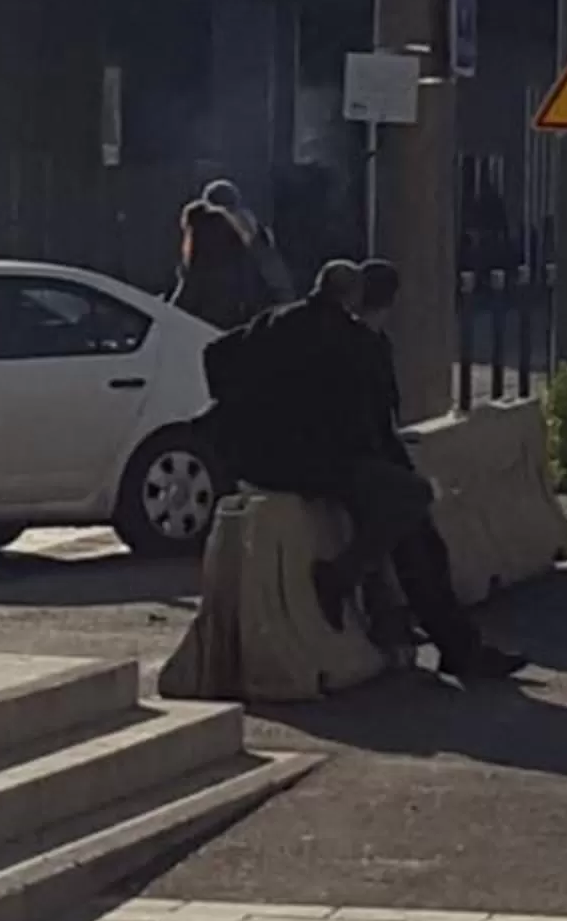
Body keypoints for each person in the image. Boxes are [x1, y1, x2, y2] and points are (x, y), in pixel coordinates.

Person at [206, 260, 523, 684]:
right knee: (412, 502)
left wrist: (249, 415)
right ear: (352, 298)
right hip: (314, 464)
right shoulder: (351, 342)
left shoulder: (275, 321)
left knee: (407, 518)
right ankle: (343, 580)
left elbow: (215, 356)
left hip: (264, 459)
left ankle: (442, 639)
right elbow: (370, 430)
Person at [170, 177, 293, 327]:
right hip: (248, 323)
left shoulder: (205, 236)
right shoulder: (254, 237)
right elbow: (279, 285)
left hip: (215, 323)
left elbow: (190, 289)